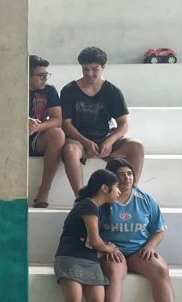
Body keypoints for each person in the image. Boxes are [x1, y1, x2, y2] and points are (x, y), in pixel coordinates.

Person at [99, 158, 182, 302]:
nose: (126, 178)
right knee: (114, 273)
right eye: (120, 175)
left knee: (161, 270)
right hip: (114, 252)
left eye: (129, 174)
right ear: (111, 178)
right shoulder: (103, 200)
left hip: (139, 251)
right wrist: (106, 247)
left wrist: (150, 246)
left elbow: (158, 230)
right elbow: (91, 232)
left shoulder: (145, 199)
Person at [53, 169, 121, 302]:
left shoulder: (97, 208)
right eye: (116, 187)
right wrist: (111, 249)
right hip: (70, 257)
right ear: (104, 188)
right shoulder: (87, 205)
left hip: (90, 261)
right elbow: (96, 241)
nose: (119, 191)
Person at [60, 46, 145, 196]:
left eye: (94, 69)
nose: (89, 73)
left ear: (103, 67)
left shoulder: (112, 91)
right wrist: (86, 142)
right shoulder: (69, 90)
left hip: (105, 138)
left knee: (137, 146)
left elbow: (123, 124)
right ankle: (81, 198)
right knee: (70, 150)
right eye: (85, 69)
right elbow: (66, 124)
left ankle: (129, 195)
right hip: (78, 140)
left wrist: (110, 141)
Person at [28, 54, 66, 208]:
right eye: (40, 76)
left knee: (57, 134)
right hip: (11, 136)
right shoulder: (12, 88)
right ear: (27, 74)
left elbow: (57, 119)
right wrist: (22, 121)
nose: (45, 79)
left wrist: (36, 127)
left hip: (37, 136)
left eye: (46, 75)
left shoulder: (49, 90)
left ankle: (44, 190)